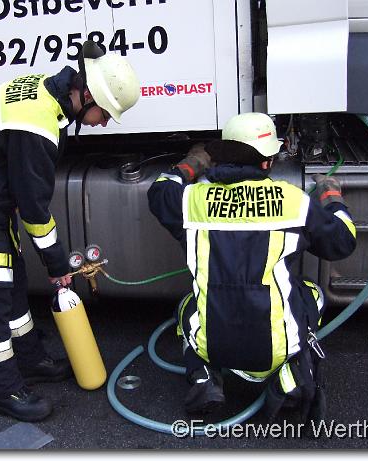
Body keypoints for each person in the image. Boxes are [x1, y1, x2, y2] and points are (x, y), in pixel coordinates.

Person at [0, 41, 140, 422]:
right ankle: (5, 391)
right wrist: (57, 264)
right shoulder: (37, 122)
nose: (103, 123)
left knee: (13, 276)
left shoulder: (50, 98)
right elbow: (35, 210)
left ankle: (31, 360)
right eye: (104, 113)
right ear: (86, 95)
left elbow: (25, 191)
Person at [147, 112, 356, 420]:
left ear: (221, 154)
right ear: (267, 162)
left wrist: (193, 163)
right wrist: (333, 197)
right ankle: (292, 375)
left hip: (213, 344)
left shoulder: (190, 200)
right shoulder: (293, 201)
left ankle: (203, 377)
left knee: (186, 308)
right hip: (276, 346)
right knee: (312, 294)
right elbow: (342, 241)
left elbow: (160, 190)